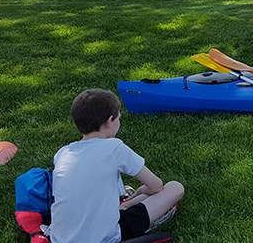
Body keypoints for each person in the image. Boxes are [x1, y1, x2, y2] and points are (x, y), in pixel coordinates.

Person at [48, 89, 185, 243]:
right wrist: (139, 192)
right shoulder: (114, 148)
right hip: (105, 236)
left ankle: (126, 204)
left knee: (128, 195)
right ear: (109, 121)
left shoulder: (63, 153)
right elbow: (156, 186)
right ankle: (135, 211)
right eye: (119, 118)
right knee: (175, 187)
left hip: (59, 238)